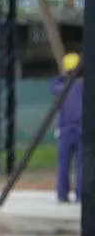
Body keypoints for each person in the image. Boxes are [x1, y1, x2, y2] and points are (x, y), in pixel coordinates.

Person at [53, 51, 82, 203]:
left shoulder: (60, 86)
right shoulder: (83, 86)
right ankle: (81, 195)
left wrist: (63, 75)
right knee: (81, 165)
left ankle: (62, 194)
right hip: (81, 130)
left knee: (64, 164)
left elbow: (53, 85)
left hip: (65, 130)